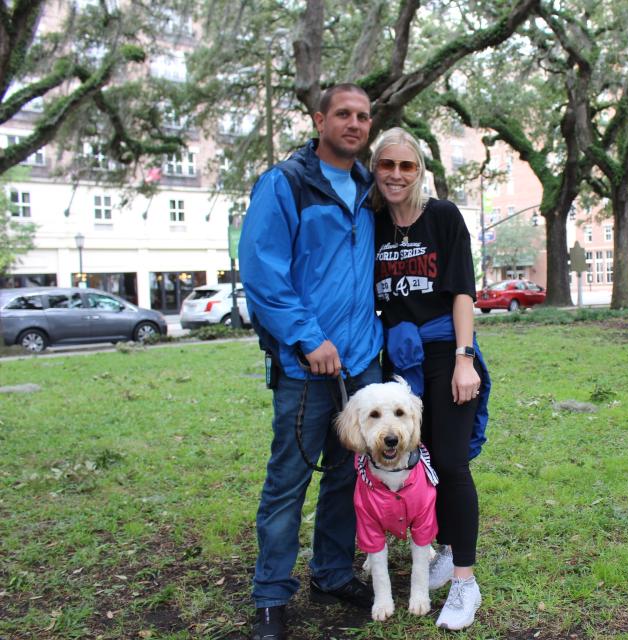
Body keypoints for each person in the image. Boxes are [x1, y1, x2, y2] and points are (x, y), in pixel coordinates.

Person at [239, 83, 383, 640]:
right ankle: (271, 597)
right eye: (343, 114)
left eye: (363, 116)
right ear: (319, 119)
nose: (354, 123)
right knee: (287, 482)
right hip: (305, 367)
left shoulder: (371, 188)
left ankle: (330, 573)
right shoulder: (285, 184)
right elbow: (263, 274)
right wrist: (307, 338)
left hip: (362, 363)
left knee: (349, 475)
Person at [369, 127, 491, 631]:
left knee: (450, 459)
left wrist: (465, 358)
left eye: (407, 166)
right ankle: (440, 547)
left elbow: (463, 290)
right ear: (375, 169)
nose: (397, 175)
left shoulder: (442, 216)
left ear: (419, 170)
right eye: (387, 165)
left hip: (445, 349)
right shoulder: (372, 222)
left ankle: (464, 580)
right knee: (416, 458)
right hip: (399, 355)